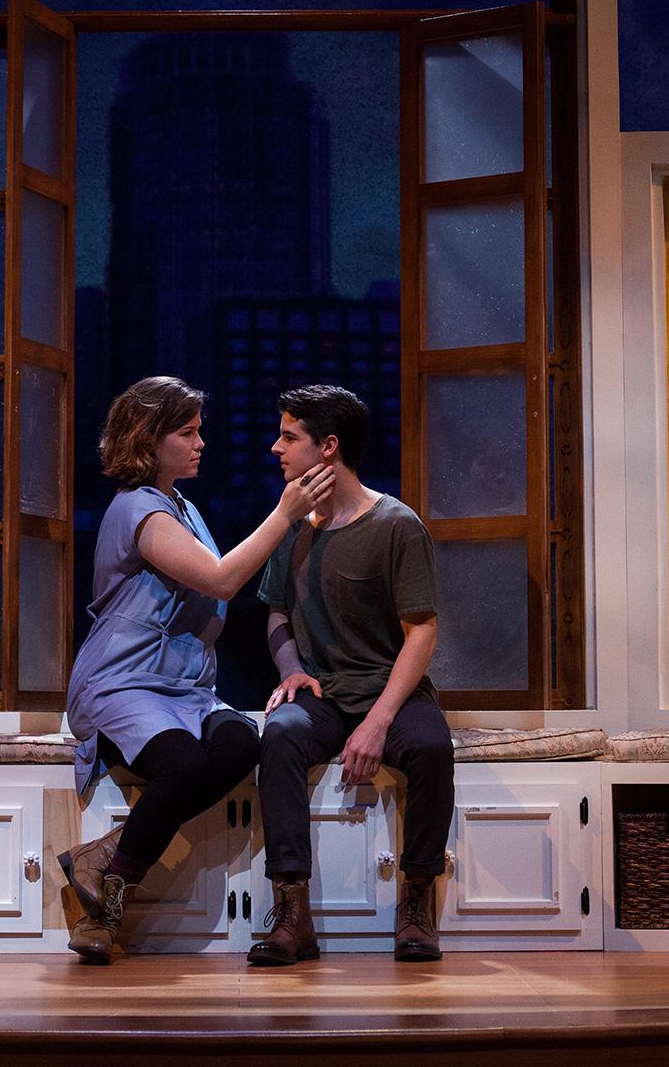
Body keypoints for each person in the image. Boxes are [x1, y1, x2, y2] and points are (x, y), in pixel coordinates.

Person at [60, 375, 333, 964]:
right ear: (149, 439)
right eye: (187, 432)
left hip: (183, 688)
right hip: (124, 681)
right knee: (183, 767)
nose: (200, 443)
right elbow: (222, 579)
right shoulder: (138, 509)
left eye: (199, 431)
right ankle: (107, 903)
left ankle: (104, 853)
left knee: (240, 746)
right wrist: (285, 514)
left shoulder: (182, 506)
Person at [249, 383, 453, 965]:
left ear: (328, 447)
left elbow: (422, 631)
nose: (276, 448)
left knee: (433, 747)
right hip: (326, 694)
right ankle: (292, 912)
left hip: (391, 691)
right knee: (281, 734)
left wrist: (379, 722)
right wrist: (290, 670)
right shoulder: (294, 528)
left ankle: (416, 904)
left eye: (290, 437)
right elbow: (277, 612)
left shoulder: (396, 525)